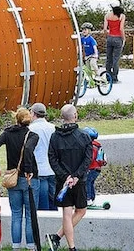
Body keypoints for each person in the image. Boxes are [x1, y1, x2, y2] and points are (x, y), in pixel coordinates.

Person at [0, 107, 40, 250]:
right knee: (30, 215)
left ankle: (15, 246)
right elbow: (29, 150)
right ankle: (31, 246)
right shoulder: (32, 135)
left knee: (16, 214)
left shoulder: (7, 134)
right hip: (29, 178)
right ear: (28, 120)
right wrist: (29, 170)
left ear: (16, 119)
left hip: (13, 178)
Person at [46, 104, 92, 251]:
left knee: (67, 213)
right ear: (75, 116)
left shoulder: (55, 137)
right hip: (79, 181)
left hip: (63, 181)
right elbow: (88, 158)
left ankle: (60, 238)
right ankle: (69, 246)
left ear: (62, 118)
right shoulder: (84, 136)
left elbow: (52, 159)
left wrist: (65, 176)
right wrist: (76, 176)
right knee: (81, 211)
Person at [28, 103, 57, 211]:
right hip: (52, 169)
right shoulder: (53, 128)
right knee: (53, 202)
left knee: (42, 205)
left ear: (33, 113)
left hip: (39, 170)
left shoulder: (31, 129)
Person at [82, 127, 106, 206]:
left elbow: (90, 159)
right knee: (91, 183)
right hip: (97, 169)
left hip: (91, 168)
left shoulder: (91, 147)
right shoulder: (97, 146)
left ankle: (88, 199)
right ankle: (92, 198)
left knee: (87, 182)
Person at [103, 2, 125, 84]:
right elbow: (121, 29)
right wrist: (123, 38)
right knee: (116, 59)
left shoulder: (107, 15)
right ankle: (115, 78)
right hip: (118, 38)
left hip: (110, 37)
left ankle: (108, 77)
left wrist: (107, 36)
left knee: (109, 58)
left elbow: (105, 29)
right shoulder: (122, 16)